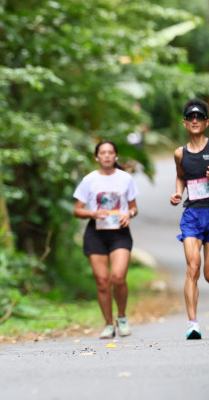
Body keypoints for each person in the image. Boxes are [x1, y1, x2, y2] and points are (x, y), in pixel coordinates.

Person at [73, 140, 139, 339]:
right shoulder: (89, 180)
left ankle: (122, 317)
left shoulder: (125, 179)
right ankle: (109, 324)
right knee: (102, 281)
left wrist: (129, 214)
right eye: (103, 152)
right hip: (96, 233)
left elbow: (134, 207)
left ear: (116, 156)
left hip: (120, 233)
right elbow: (77, 210)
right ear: (97, 157)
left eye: (110, 152)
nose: (107, 156)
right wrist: (93, 213)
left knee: (118, 277)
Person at [170, 98, 209, 340]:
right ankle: (193, 324)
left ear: (206, 122)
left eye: (199, 117)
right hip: (192, 215)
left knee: (208, 274)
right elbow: (180, 176)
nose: (195, 120)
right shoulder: (179, 153)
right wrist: (177, 193)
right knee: (192, 267)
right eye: (190, 117)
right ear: (184, 123)